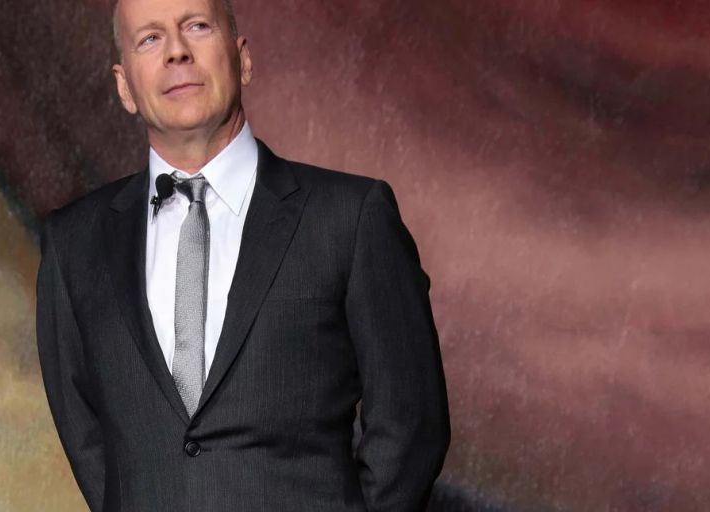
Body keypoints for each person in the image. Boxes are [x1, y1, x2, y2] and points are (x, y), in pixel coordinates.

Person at [36, 0, 450, 509]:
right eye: (150, 38)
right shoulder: (73, 244)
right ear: (124, 87)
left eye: (196, 26)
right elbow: (91, 446)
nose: (176, 52)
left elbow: (412, 426)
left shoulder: (351, 217)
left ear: (243, 59)